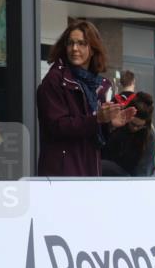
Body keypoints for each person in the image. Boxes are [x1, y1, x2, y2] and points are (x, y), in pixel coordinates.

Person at [37, 20, 135, 177]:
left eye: (82, 43)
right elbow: (56, 126)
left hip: (88, 168)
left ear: (93, 48)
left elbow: (95, 133)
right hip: (62, 172)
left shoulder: (99, 84)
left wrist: (110, 124)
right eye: (70, 43)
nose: (75, 49)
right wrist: (97, 119)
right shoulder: (54, 80)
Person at [101, 92, 155, 177]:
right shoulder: (120, 126)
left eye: (139, 126)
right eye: (133, 124)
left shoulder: (149, 138)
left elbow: (143, 172)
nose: (135, 128)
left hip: (131, 180)